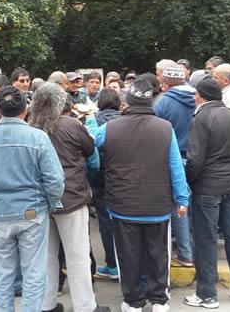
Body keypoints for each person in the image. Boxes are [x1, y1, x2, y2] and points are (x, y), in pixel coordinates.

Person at [86, 79, 190, 312]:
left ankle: (133, 302)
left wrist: (90, 122)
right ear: (150, 102)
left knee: (128, 255)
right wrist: (182, 199)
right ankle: (159, 300)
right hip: (158, 205)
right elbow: (175, 166)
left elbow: (89, 146)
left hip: (122, 205)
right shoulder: (165, 128)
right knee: (158, 254)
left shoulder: (110, 128)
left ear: (128, 102)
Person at [0, 86, 65, 312]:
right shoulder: (38, 138)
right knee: (34, 274)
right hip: (32, 213)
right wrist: (49, 204)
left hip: (0, 214)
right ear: (25, 109)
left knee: (2, 274)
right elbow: (55, 181)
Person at [29, 83, 108, 312]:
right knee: (77, 255)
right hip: (71, 197)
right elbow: (93, 158)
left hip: (39, 201)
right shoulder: (71, 125)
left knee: (45, 256)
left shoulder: (31, 128)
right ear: (60, 102)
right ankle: (85, 306)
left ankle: (47, 304)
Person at [184, 79, 230, 308]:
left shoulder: (201, 118)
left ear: (202, 96)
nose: (194, 97)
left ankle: (207, 294)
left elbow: (195, 160)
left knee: (206, 241)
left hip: (207, 188)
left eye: (196, 93)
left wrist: (189, 181)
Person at [153, 64, 195, 268]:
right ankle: (190, 247)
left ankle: (185, 252)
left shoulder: (163, 103)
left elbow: (153, 130)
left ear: (167, 84)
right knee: (191, 204)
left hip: (173, 159)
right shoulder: (198, 98)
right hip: (196, 158)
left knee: (179, 205)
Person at [91, 89, 122, 280]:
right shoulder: (125, 120)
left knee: (105, 223)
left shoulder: (93, 121)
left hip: (100, 178)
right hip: (122, 178)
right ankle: (125, 262)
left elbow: (90, 147)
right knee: (123, 221)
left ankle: (112, 265)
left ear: (99, 102)